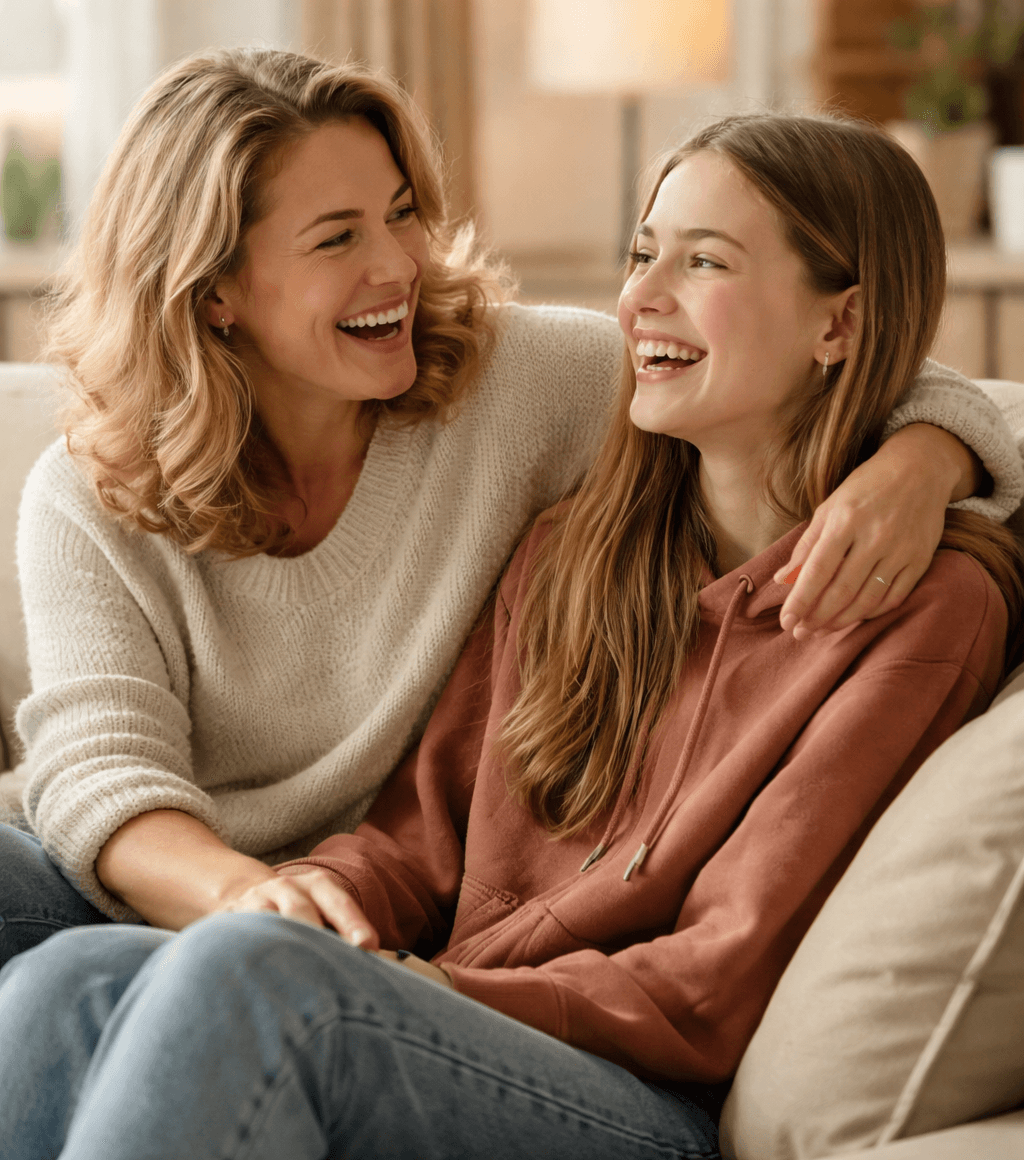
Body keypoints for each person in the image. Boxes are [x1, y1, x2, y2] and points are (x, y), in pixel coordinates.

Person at [2, 110, 1021, 1160]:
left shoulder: (920, 605)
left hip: (637, 1086)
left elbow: (717, 976)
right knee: (63, 978)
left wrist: (931, 453)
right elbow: (415, 835)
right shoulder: (573, 550)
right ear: (214, 291)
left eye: (703, 259)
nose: (639, 298)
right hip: (454, 1001)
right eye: (640, 254)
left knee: (254, 981)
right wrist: (316, 907)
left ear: (838, 326)